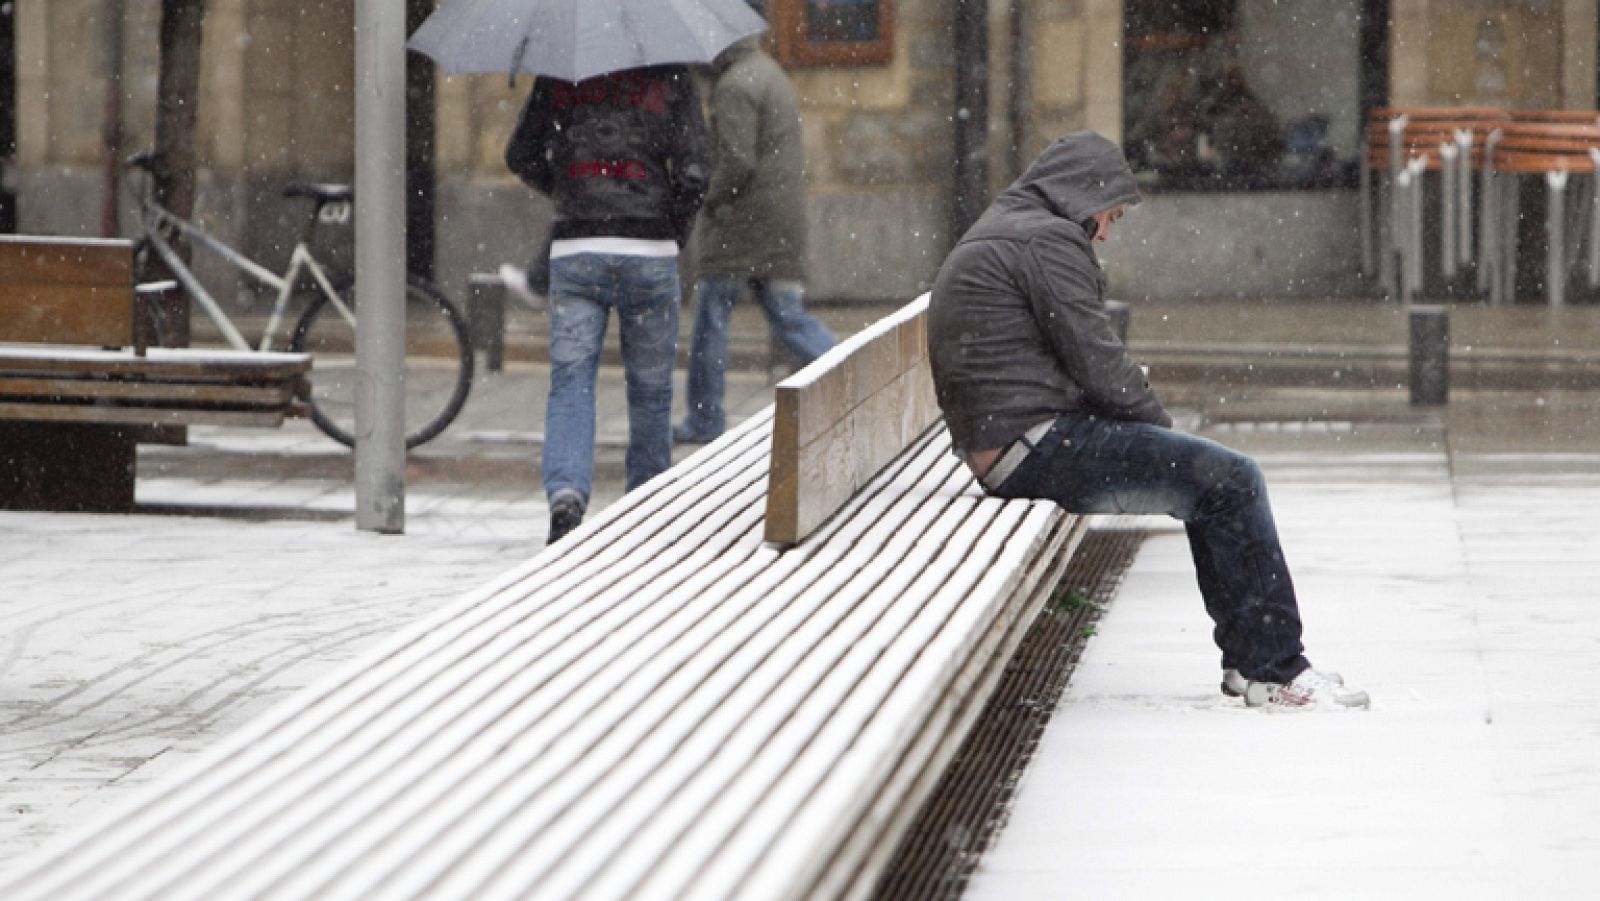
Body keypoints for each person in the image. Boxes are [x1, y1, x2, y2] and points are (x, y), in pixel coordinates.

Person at [926, 131, 1369, 711]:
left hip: (1011, 438)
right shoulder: (1046, 240)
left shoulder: (1016, 226)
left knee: (1209, 481)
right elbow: (1099, 362)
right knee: (1229, 479)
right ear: (1080, 198)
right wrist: (1162, 434)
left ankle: (1251, 661)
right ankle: (1277, 670)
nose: (1106, 232)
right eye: (1107, 216)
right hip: (1030, 447)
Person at [506, 66, 710, 544]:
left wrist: (569, 190)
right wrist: (671, 226)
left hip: (579, 246)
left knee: (572, 383)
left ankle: (567, 497)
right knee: (651, 389)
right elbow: (696, 172)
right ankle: (648, 506)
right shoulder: (672, 74)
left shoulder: (560, 72)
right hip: (650, 249)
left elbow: (519, 154)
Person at [674, 38, 836, 445]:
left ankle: (705, 418)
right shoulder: (766, 70)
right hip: (775, 218)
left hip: (743, 224)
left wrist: (706, 200)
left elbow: (737, 161)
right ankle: (849, 374)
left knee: (711, 319)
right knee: (786, 314)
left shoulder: (734, 87)